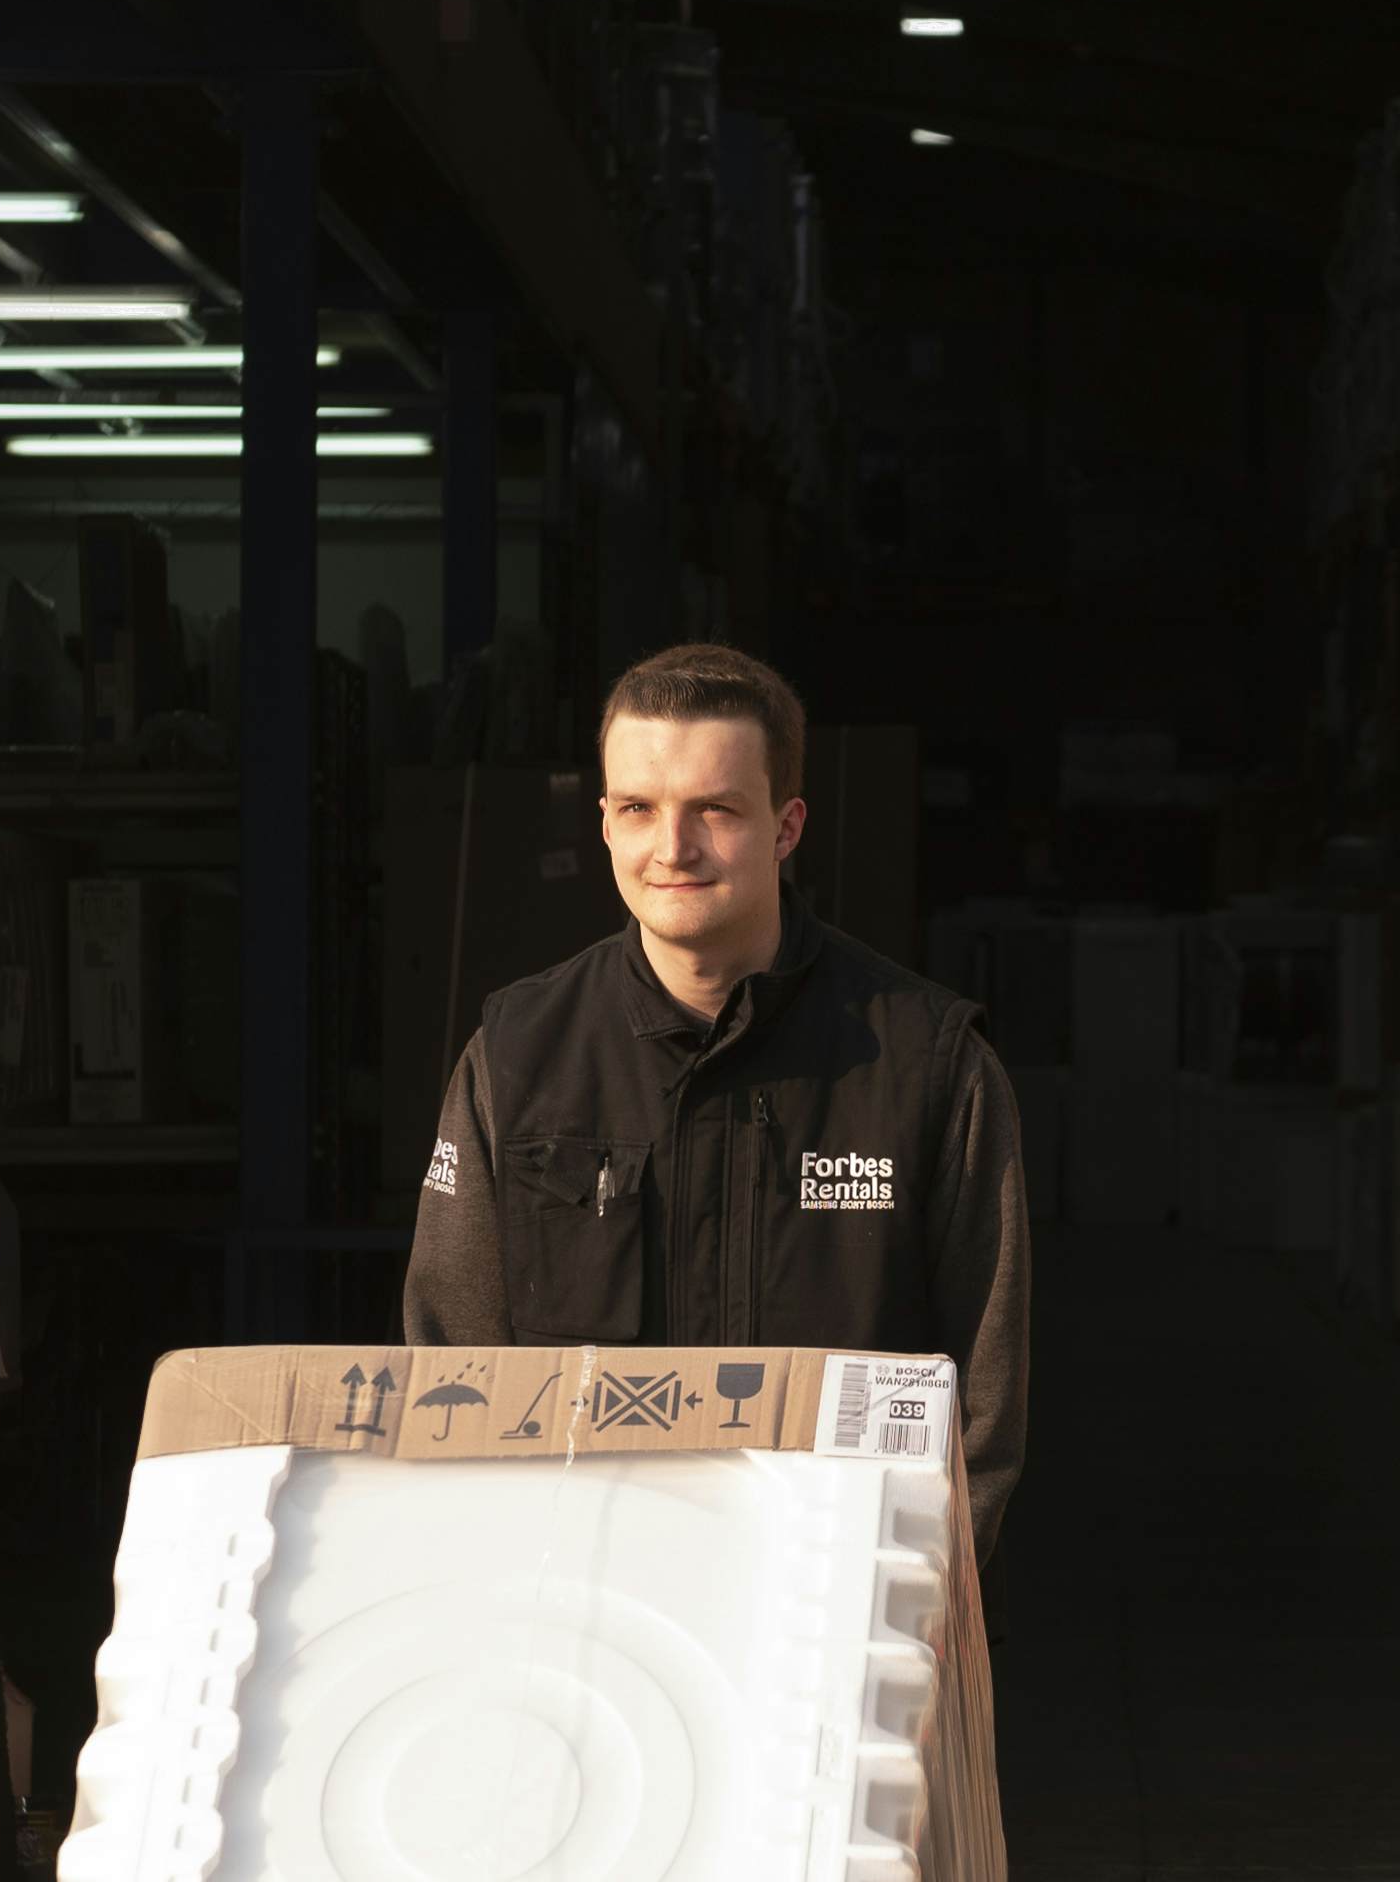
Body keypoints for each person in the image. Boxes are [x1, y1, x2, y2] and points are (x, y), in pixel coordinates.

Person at [403, 643, 1030, 1561]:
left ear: (786, 827)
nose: (673, 848)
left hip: (832, 1614)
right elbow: (447, 1363)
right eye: (639, 809)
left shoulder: (928, 1067)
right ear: (605, 825)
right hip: (577, 1598)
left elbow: (987, 1399)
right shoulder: (515, 1056)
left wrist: (912, 1612)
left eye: (715, 810)